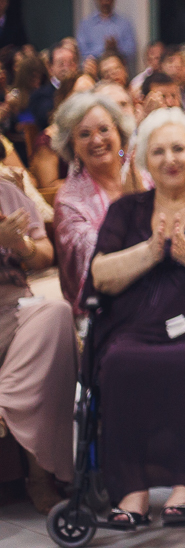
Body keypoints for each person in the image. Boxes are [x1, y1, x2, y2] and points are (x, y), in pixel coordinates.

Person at [84, 108, 185, 527]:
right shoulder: (126, 211)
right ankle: (132, 490)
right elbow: (100, 274)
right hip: (134, 324)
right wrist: (151, 251)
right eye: (158, 151)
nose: (170, 159)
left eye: (179, 148)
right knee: (119, 362)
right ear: (145, 160)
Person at [0, 178, 75, 514]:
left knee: (56, 314)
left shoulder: (6, 190)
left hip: (13, 306)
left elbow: (45, 255)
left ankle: (41, 477)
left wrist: (20, 244)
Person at [51, 93, 141, 313]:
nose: (97, 140)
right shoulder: (69, 202)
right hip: (106, 307)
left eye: (104, 129)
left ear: (119, 132)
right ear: (72, 144)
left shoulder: (144, 175)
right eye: (84, 134)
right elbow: (96, 266)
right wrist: (132, 210)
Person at [77, 0, 137, 65]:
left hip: (117, 67)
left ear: (113, 0)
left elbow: (131, 51)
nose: (105, 3)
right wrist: (104, 50)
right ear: (97, 0)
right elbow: (82, 51)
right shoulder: (86, 24)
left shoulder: (124, 23)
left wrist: (116, 49)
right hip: (94, 67)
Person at [30, 41, 78, 129]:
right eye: (61, 64)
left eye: (70, 63)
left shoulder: (83, 88)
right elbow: (45, 119)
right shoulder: (40, 95)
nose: (66, 68)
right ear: (50, 67)